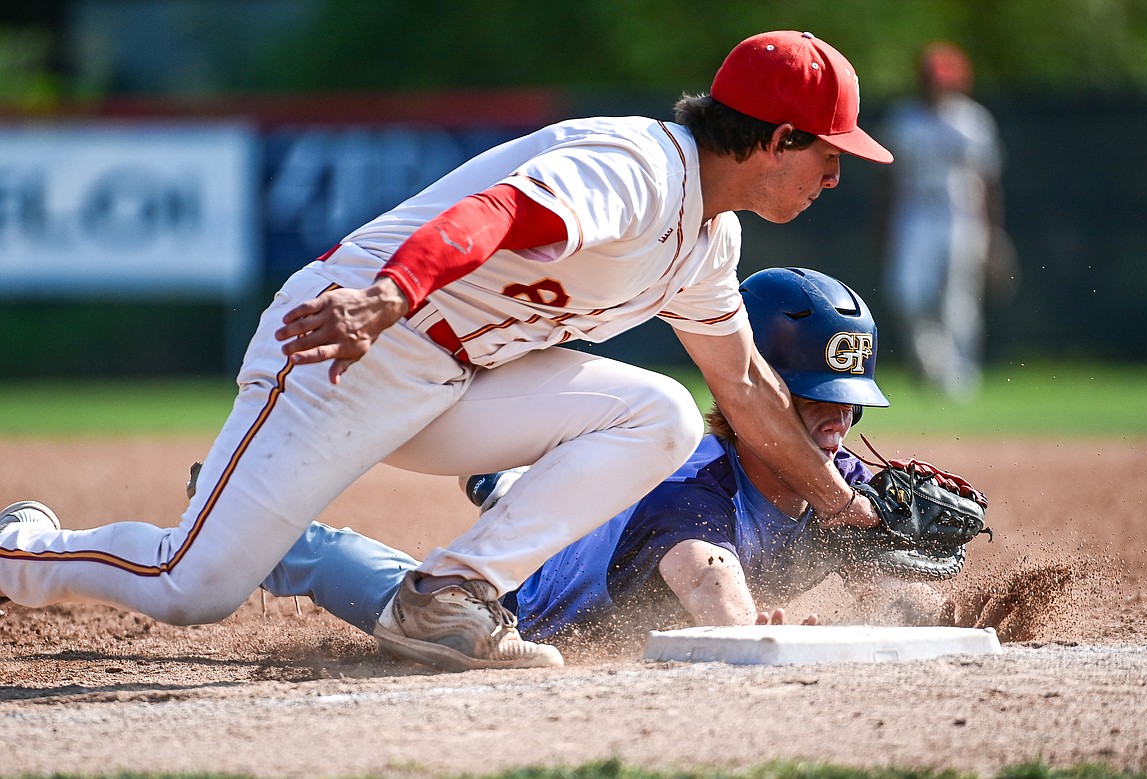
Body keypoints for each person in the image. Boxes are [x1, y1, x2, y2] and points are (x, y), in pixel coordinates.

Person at [0, 31, 893, 673]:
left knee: (657, 412)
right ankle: (23, 549)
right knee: (192, 585)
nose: (835, 174)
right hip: (347, 352)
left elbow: (741, 384)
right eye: (828, 152)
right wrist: (387, 295)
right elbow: (492, 213)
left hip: (452, 382)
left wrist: (844, 502)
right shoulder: (636, 169)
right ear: (778, 139)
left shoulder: (708, 243)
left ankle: (449, 597)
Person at [259, 268, 950, 653]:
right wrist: (745, 632)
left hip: (600, 525)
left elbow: (900, 592)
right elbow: (711, 580)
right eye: (810, 398)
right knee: (382, 591)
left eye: (849, 403)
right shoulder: (694, 488)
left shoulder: (842, 487)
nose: (839, 420)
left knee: (558, 497)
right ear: (759, 399)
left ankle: (515, 482)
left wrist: (935, 605)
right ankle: (260, 527)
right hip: (508, 602)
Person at [878, 41, 1008, 399]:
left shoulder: (973, 121)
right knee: (904, 294)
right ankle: (934, 363)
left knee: (957, 300)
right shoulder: (903, 118)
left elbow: (988, 182)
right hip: (914, 213)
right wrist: (884, 226)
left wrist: (993, 234)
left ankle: (959, 379)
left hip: (961, 216)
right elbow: (888, 180)